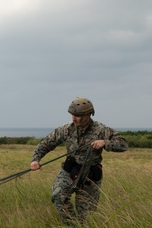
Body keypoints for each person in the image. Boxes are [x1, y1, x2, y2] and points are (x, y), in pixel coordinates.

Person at [30, 97, 128, 227]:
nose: (76, 119)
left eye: (80, 116)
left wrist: (105, 143)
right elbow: (46, 144)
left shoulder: (101, 130)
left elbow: (123, 144)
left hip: (90, 175)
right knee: (58, 196)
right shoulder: (66, 129)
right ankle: (72, 225)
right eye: (74, 115)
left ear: (89, 114)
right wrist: (36, 159)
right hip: (69, 170)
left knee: (86, 215)